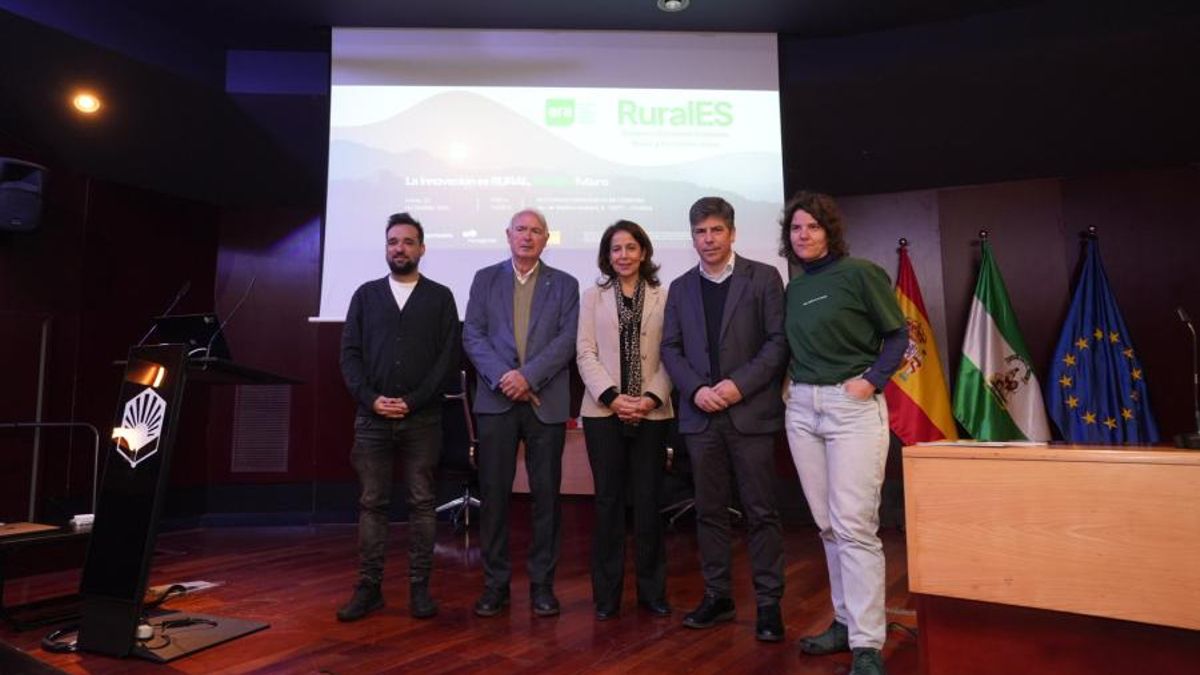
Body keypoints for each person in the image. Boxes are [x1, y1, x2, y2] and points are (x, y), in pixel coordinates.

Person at [779, 191, 907, 675]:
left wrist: (871, 381)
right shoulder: (792, 289)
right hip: (803, 409)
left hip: (851, 408)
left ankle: (868, 644)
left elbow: (898, 336)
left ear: (830, 231)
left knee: (854, 526)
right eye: (795, 228)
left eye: (812, 226)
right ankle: (844, 622)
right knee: (828, 525)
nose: (804, 235)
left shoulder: (860, 274)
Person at [659, 196, 789, 642]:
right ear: (691, 236)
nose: (708, 239)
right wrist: (696, 389)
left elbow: (777, 343)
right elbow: (670, 349)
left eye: (716, 230)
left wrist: (737, 385)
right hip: (700, 416)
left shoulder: (765, 277)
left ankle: (769, 604)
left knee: (760, 511)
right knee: (709, 512)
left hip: (749, 411)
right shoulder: (679, 288)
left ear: (732, 233)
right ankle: (718, 595)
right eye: (700, 232)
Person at [337, 212, 460, 622]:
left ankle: (419, 590)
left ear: (422, 249)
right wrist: (372, 399)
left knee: (422, 504)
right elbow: (349, 356)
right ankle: (369, 589)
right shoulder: (365, 295)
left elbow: (447, 359)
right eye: (393, 241)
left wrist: (413, 400)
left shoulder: (441, 297)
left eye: (408, 242)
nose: (400, 248)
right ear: (386, 247)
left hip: (422, 419)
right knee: (372, 504)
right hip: (371, 420)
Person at [462, 208, 579, 617]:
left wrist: (527, 377)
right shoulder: (484, 279)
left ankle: (542, 587)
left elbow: (568, 341)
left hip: (545, 404)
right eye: (521, 230)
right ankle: (495, 586)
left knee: (546, 498)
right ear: (507, 235)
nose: (528, 237)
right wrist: (503, 377)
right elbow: (472, 335)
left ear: (547, 239)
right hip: (496, 403)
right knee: (494, 498)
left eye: (536, 232)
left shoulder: (565, 284)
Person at [576, 220, 674, 621]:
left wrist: (650, 397)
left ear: (644, 252)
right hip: (603, 413)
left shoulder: (664, 297)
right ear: (607, 255)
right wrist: (615, 399)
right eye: (616, 249)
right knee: (609, 504)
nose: (624, 255)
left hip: (653, 412)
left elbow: (673, 352)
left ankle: (652, 593)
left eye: (631, 248)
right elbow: (585, 352)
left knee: (650, 504)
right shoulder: (592, 297)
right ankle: (607, 596)